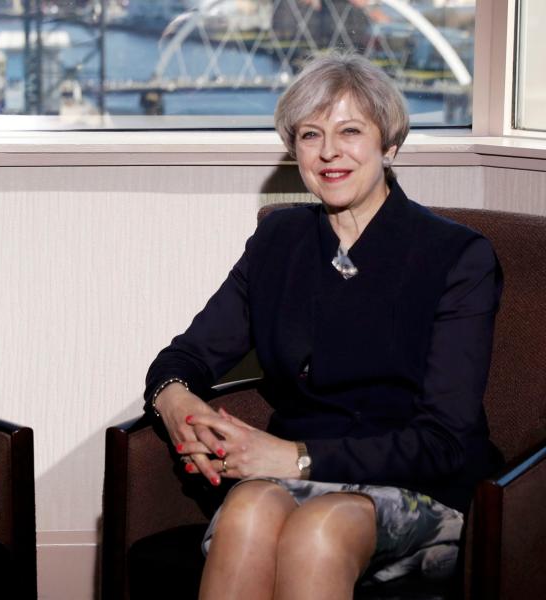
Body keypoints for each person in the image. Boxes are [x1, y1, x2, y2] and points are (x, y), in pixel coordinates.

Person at [144, 53, 502, 599]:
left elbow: (444, 441)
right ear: (297, 151)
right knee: (247, 510)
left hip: (419, 486)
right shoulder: (279, 241)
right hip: (289, 476)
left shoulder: (456, 256)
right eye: (311, 135)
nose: (329, 151)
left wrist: (295, 457)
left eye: (350, 131)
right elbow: (185, 356)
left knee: (319, 528)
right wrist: (176, 406)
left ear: (390, 145)